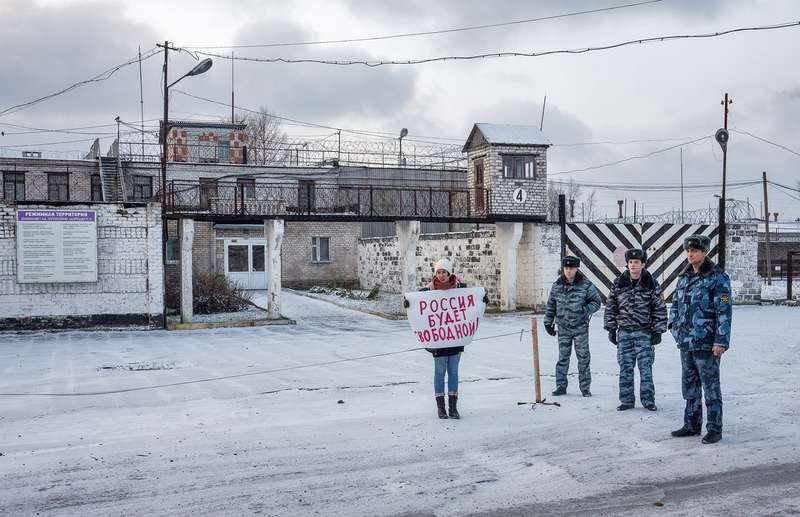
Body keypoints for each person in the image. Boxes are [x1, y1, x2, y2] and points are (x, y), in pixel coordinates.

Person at [404, 257, 489, 419]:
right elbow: (416, 306)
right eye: (438, 272)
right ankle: (441, 408)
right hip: (438, 342)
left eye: (444, 272)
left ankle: (453, 408)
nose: (441, 275)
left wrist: (483, 301)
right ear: (435, 274)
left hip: (455, 340)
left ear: (449, 273)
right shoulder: (427, 292)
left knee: (454, 372)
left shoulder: (461, 289)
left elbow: (472, 304)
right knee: (439, 372)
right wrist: (408, 304)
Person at [669, 234, 732, 444]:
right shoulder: (684, 277)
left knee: (710, 387)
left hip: (707, 343)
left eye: (695, 251)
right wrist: (673, 327)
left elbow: (724, 311)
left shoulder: (718, 277)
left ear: (705, 252)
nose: (690, 254)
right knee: (689, 386)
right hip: (686, 342)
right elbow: (675, 305)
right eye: (688, 250)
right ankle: (691, 424)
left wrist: (721, 341)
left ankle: (715, 428)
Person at [604, 248, 668, 412]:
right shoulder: (619, 283)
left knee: (645, 368)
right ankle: (626, 400)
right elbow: (611, 307)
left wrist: (658, 331)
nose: (633, 265)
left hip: (644, 332)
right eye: (630, 262)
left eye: (636, 262)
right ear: (627, 264)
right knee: (625, 367)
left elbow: (659, 308)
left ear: (643, 264)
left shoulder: (651, 283)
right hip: (624, 332)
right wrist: (611, 329)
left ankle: (648, 401)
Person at [544, 255, 602, 397]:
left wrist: (585, 310)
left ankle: (585, 388)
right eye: (566, 268)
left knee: (583, 358)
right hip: (563, 327)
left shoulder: (585, 284)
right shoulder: (557, 285)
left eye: (571, 268)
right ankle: (561, 386)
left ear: (577, 269)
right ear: (563, 269)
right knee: (563, 357)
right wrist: (548, 322)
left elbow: (596, 302)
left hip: (580, 328)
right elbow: (551, 305)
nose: (568, 271)